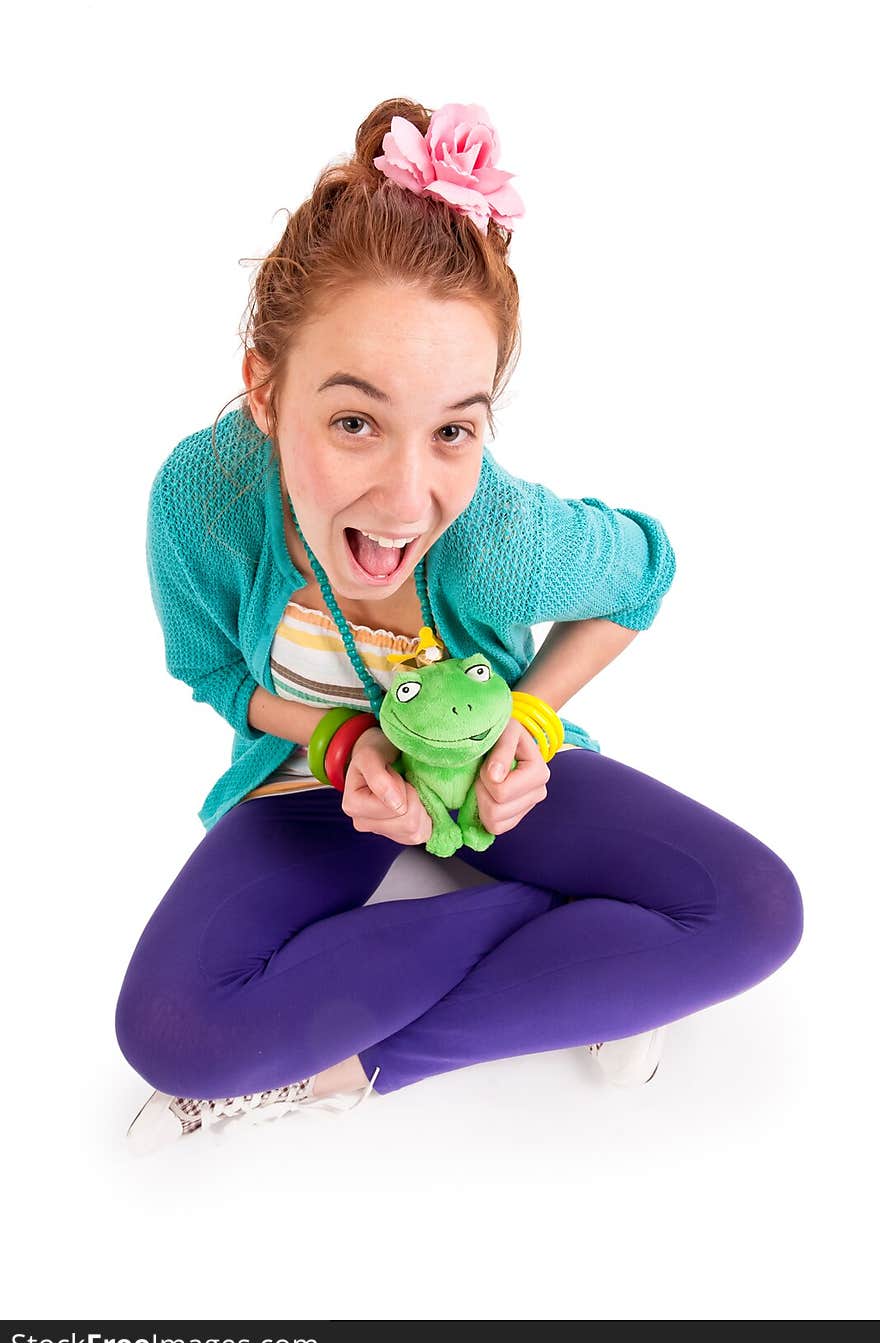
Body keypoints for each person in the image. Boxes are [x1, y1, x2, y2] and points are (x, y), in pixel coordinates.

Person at [116, 98, 803, 1155]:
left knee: (755, 909)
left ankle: (349, 1066)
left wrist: (530, 712)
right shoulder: (200, 498)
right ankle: (597, 968)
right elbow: (211, 669)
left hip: (496, 780)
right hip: (311, 792)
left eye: (453, 430)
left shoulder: (502, 532)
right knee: (169, 1033)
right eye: (353, 420)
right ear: (265, 389)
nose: (404, 499)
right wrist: (338, 743)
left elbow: (645, 574)